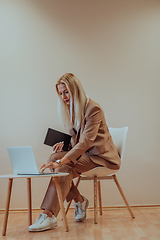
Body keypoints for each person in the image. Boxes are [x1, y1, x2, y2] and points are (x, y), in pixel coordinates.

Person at [28, 73, 121, 232]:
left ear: (75, 90)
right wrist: (64, 148)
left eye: (66, 92)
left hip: (101, 158)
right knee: (53, 157)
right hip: (87, 155)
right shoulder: (72, 109)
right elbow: (76, 141)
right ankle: (79, 200)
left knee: (62, 166)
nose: (63, 96)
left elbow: (86, 142)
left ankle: (49, 214)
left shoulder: (93, 108)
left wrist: (61, 162)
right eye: (60, 93)